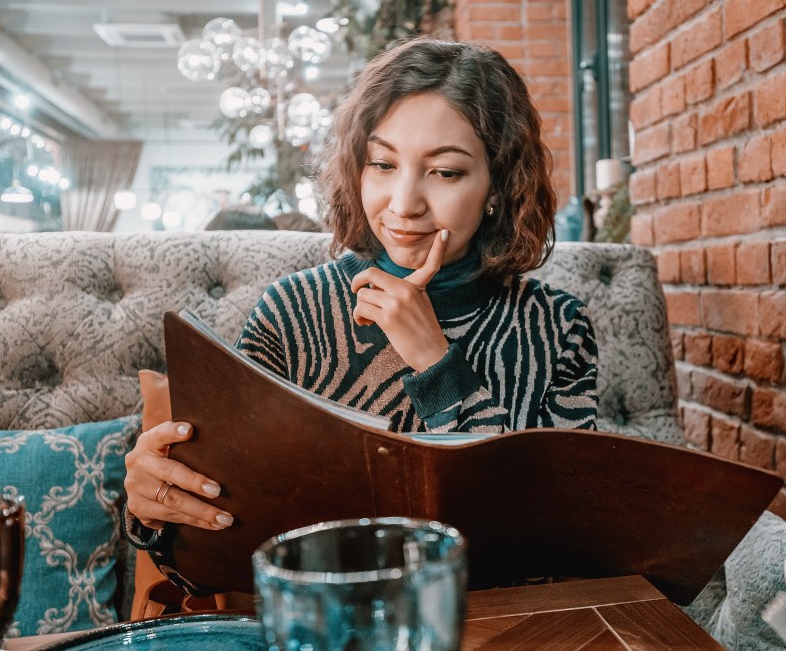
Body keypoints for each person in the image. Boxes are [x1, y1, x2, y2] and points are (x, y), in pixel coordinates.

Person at [123, 38, 599, 594]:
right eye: (383, 163)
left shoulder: (555, 327)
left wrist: (436, 361)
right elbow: (222, 551)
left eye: (444, 172)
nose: (403, 203)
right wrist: (154, 515)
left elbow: (565, 548)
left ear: (498, 184)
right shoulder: (292, 313)